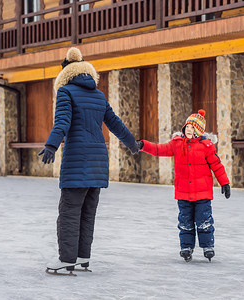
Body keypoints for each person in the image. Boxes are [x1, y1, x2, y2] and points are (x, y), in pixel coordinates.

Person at [38, 47, 140, 274]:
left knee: (69, 213)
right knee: (87, 212)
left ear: (65, 72)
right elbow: (115, 123)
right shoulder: (98, 95)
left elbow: (62, 122)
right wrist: (132, 144)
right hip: (97, 164)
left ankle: (66, 259)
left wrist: (51, 145)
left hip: (77, 162)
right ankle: (83, 256)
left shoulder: (66, 92)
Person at [137, 109, 230, 262]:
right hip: (183, 193)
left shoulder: (206, 146)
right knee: (185, 222)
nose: (188, 129)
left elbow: (217, 165)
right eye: (187, 126)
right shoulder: (177, 144)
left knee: (204, 220)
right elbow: (159, 149)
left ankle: (208, 246)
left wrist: (224, 183)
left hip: (202, 193)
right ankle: (186, 247)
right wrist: (143, 145)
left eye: (192, 128)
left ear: (198, 131)